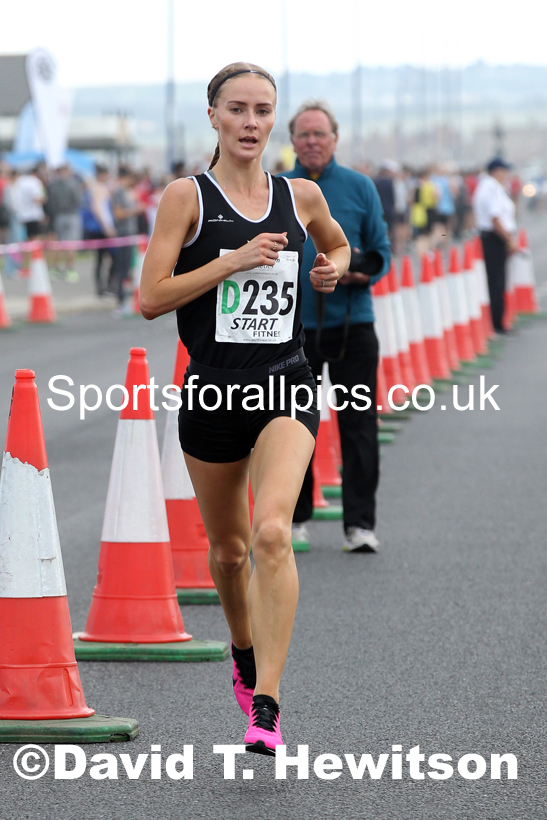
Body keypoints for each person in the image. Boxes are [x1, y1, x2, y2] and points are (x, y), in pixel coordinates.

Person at [139, 62, 349, 755]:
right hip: (212, 391)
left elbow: (337, 244)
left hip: (284, 384)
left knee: (269, 535)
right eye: (238, 109)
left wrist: (331, 268)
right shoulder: (185, 198)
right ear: (214, 117)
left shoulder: (302, 196)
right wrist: (229, 262)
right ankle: (241, 649)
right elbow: (150, 298)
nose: (251, 122)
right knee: (228, 556)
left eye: (263, 110)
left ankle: (267, 704)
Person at [284, 100, 391, 554]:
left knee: (358, 426)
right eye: (304, 134)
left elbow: (382, 253)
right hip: (290, 332)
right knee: (290, 428)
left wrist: (353, 270)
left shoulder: (359, 186)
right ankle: (293, 519)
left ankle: (360, 526)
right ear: (292, 141)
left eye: (320, 134)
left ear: (335, 139)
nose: (312, 142)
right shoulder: (276, 187)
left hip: (352, 326)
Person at [472, 158, 517, 334]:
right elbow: (495, 218)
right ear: (496, 171)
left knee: (497, 280)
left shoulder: (494, 187)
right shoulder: (490, 188)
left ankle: (498, 320)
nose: (507, 174)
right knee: (496, 281)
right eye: (505, 170)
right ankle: (496, 323)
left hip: (495, 237)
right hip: (493, 238)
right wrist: (508, 240)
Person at [111, 167, 143, 314]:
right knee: (122, 268)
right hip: (123, 234)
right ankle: (120, 300)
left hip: (130, 234)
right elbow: (118, 213)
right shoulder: (119, 192)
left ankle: (125, 298)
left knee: (129, 269)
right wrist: (134, 210)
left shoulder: (128, 192)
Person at [47, 164, 84, 282]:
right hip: (71, 215)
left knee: (58, 244)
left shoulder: (53, 186)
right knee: (71, 244)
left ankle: (55, 270)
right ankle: (69, 270)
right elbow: (79, 201)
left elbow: (50, 203)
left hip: (58, 216)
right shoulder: (74, 184)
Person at [82, 164, 115, 296]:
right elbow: (99, 209)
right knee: (105, 258)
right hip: (100, 228)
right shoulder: (98, 188)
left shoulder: (94, 187)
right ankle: (104, 287)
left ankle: (103, 287)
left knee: (101, 259)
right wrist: (107, 226)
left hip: (96, 227)